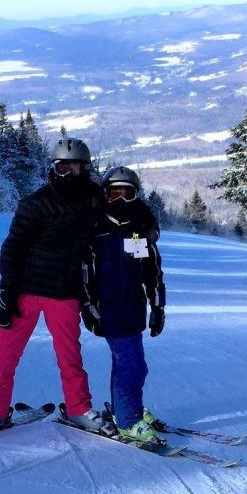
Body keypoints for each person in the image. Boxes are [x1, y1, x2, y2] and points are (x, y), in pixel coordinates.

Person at [0, 137, 107, 440]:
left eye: (73, 167)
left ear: (84, 168)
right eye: (60, 166)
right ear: (52, 168)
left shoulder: (95, 200)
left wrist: (140, 241)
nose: (66, 173)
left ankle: (79, 408)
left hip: (65, 292)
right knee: (4, 355)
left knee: (70, 355)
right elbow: (12, 250)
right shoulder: (35, 204)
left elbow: (120, 225)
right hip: (26, 290)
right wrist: (6, 295)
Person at [81, 166, 166, 443]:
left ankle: (125, 409)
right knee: (133, 365)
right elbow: (82, 272)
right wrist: (87, 307)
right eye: (113, 193)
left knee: (125, 363)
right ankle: (129, 420)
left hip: (133, 307)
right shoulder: (94, 227)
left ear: (135, 195)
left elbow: (151, 271)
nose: (119, 200)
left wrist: (158, 307)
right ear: (104, 194)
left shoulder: (139, 227)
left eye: (126, 194)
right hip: (107, 308)